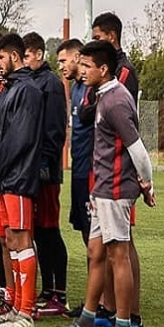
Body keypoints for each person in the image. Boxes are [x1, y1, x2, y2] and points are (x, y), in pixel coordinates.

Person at [56, 39, 155, 327]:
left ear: (103, 69)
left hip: (115, 189)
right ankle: (87, 319)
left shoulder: (116, 101)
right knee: (95, 253)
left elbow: (138, 149)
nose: (81, 70)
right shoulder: (103, 96)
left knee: (118, 256)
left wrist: (147, 184)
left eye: (87, 66)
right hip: (102, 189)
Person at [0, 33, 45, 327]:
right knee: (10, 240)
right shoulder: (8, 90)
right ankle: (16, 306)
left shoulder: (28, 91)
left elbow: (19, 139)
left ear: (14, 57)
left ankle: (26, 311)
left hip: (17, 177)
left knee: (21, 240)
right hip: (4, 178)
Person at [22, 31, 69, 317]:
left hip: (46, 172)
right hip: (31, 169)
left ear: (39, 54)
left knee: (50, 230)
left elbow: (54, 128)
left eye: (27, 55)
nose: (25, 60)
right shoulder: (31, 81)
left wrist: (44, 163)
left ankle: (59, 294)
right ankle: (48, 289)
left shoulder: (50, 83)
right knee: (39, 231)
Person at [57, 39, 93, 246]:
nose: (60, 66)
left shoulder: (91, 88)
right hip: (78, 169)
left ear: (77, 57)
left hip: (92, 170)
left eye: (63, 61)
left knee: (97, 235)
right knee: (85, 231)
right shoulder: (75, 89)